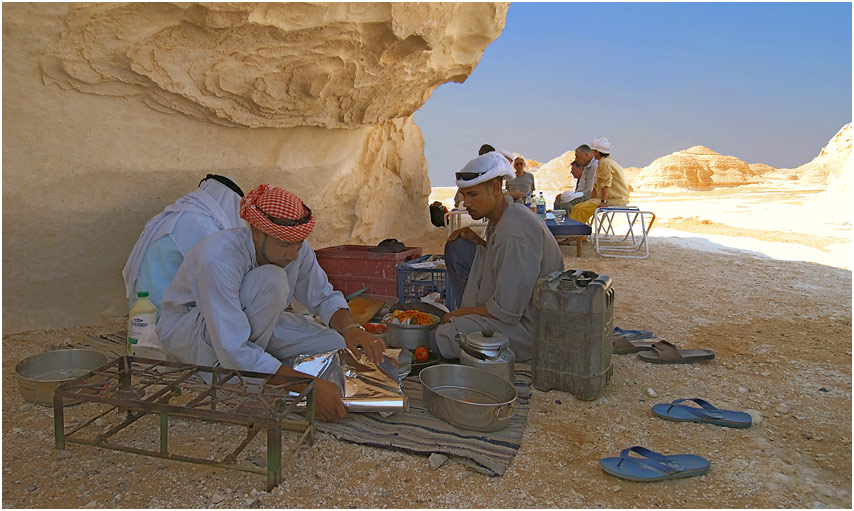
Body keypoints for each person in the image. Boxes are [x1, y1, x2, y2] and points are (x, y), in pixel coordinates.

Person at [156, 184, 386, 421]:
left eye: (298, 244)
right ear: (257, 232)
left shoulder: (295, 247)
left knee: (334, 344)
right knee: (272, 279)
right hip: (198, 330)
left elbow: (322, 296)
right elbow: (230, 344)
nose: (294, 254)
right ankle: (241, 377)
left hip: (257, 324)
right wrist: (305, 385)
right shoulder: (218, 259)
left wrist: (351, 329)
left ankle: (263, 366)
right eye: (285, 245)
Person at [436, 152, 564, 361]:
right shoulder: (504, 217)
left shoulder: (514, 231)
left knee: (444, 335)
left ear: (495, 189)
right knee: (459, 247)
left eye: (473, 195)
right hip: (514, 314)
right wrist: (482, 244)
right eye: (464, 195)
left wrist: (459, 315)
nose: (466, 203)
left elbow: (507, 312)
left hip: (530, 328)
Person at [122, 174, 245, 319]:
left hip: (142, 308)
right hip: (165, 315)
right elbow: (218, 277)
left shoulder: (178, 214)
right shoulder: (202, 225)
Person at [569, 137, 630, 224]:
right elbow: (596, 185)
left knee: (580, 210)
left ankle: (578, 236)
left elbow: (606, 184)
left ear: (597, 152)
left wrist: (603, 201)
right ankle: (575, 234)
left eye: (594, 151)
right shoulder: (606, 161)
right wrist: (591, 200)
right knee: (577, 207)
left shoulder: (605, 163)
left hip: (613, 199)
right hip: (608, 198)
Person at [554, 144, 598, 213]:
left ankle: (571, 222)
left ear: (586, 155)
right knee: (560, 199)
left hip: (589, 197)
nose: (576, 159)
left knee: (566, 204)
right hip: (582, 194)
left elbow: (589, 191)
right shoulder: (587, 166)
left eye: (577, 157)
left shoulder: (594, 166)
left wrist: (574, 196)